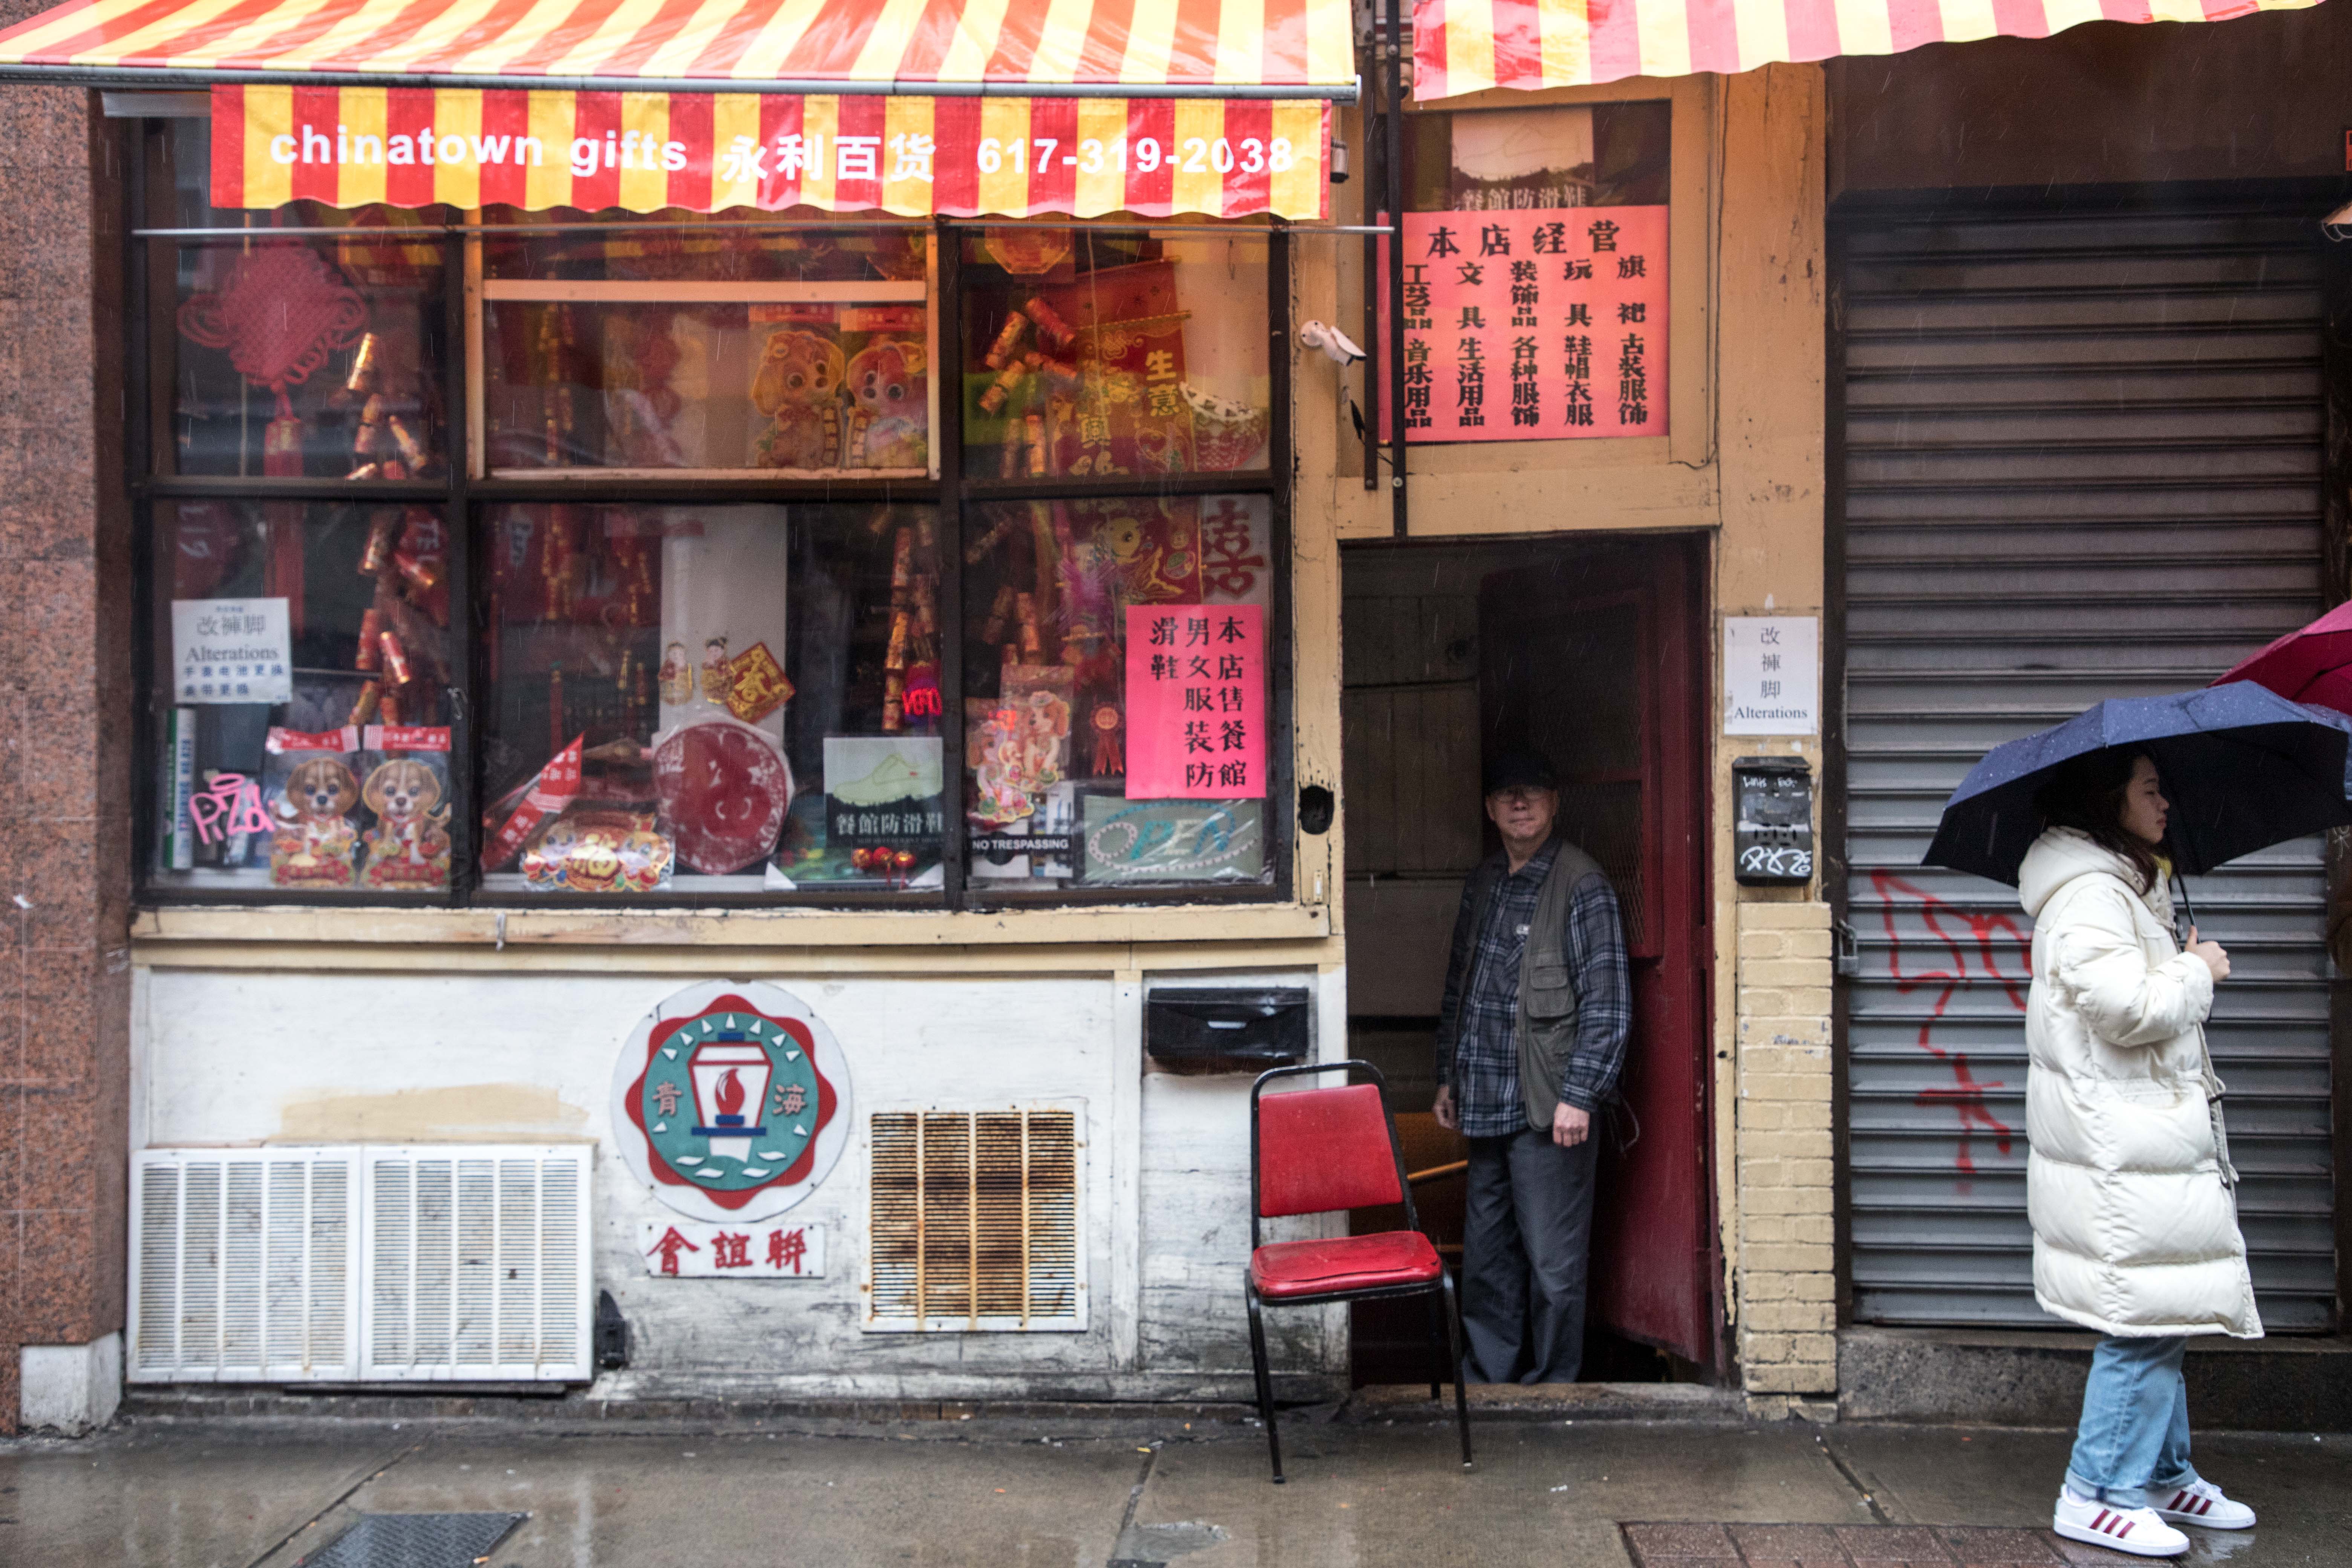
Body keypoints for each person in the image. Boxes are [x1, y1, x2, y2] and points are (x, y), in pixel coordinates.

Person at [2020, 750, 2262, 1558]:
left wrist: (2171, 954)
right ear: (2108, 800)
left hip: (2140, 1141)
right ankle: (2094, 1492)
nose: (2167, 801)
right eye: (2151, 788)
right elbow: (2124, 1009)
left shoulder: (2125, 887)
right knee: (2140, 1324)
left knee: (2166, 1310)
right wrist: (2196, 968)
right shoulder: (2091, 895)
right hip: (2118, 1147)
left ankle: (2159, 1473)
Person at [1432, 748, 1631, 1384]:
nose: (1521, 804)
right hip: (1485, 1101)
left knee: (1553, 1264)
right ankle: (1490, 1385)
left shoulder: (1582, 885)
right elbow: (1461, 987)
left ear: (1554, 805)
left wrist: (1583, 1092)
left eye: (1534, 793)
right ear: (1491, 809)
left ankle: (1551, 1389)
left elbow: (1609, 1000)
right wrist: (1448, 1076)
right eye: (1508, 794)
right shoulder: (1485, 882)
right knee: (1488, 1260)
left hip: (1551, 1108)